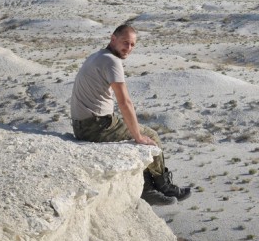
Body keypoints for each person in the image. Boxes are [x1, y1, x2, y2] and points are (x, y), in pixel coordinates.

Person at [70, 24, 191, 205]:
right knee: (151, 136)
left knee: (138, 132)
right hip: (96, 126)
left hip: (83, 124)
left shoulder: (98, 56)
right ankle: (158, 187)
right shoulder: (112, 61)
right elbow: (125, 102)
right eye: (125, 43)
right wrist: (138, 136)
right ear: (113, 39)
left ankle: (154, 186)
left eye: (132, 44)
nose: (128, 48)